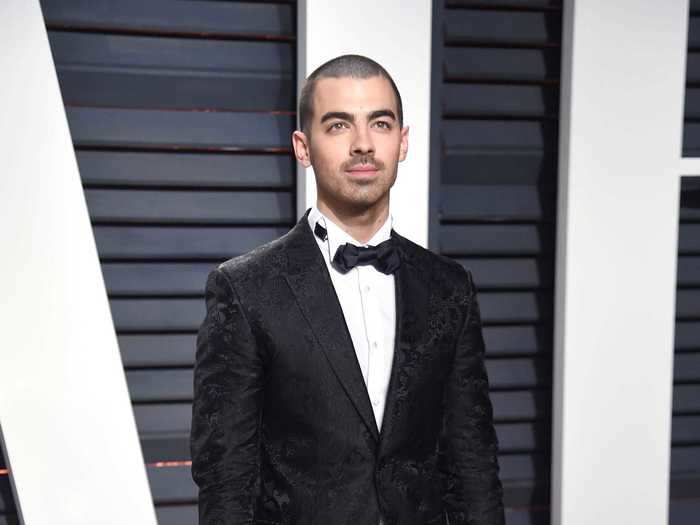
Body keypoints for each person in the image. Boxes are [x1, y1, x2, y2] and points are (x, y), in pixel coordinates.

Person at [190, 54, 504, 525]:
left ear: (402, 141)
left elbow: (473, 461)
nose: (363, 144)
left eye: (380, 123)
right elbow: (226, 482)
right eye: (338, 126)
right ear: (303, 147)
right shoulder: (244, 289)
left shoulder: (449, 288)